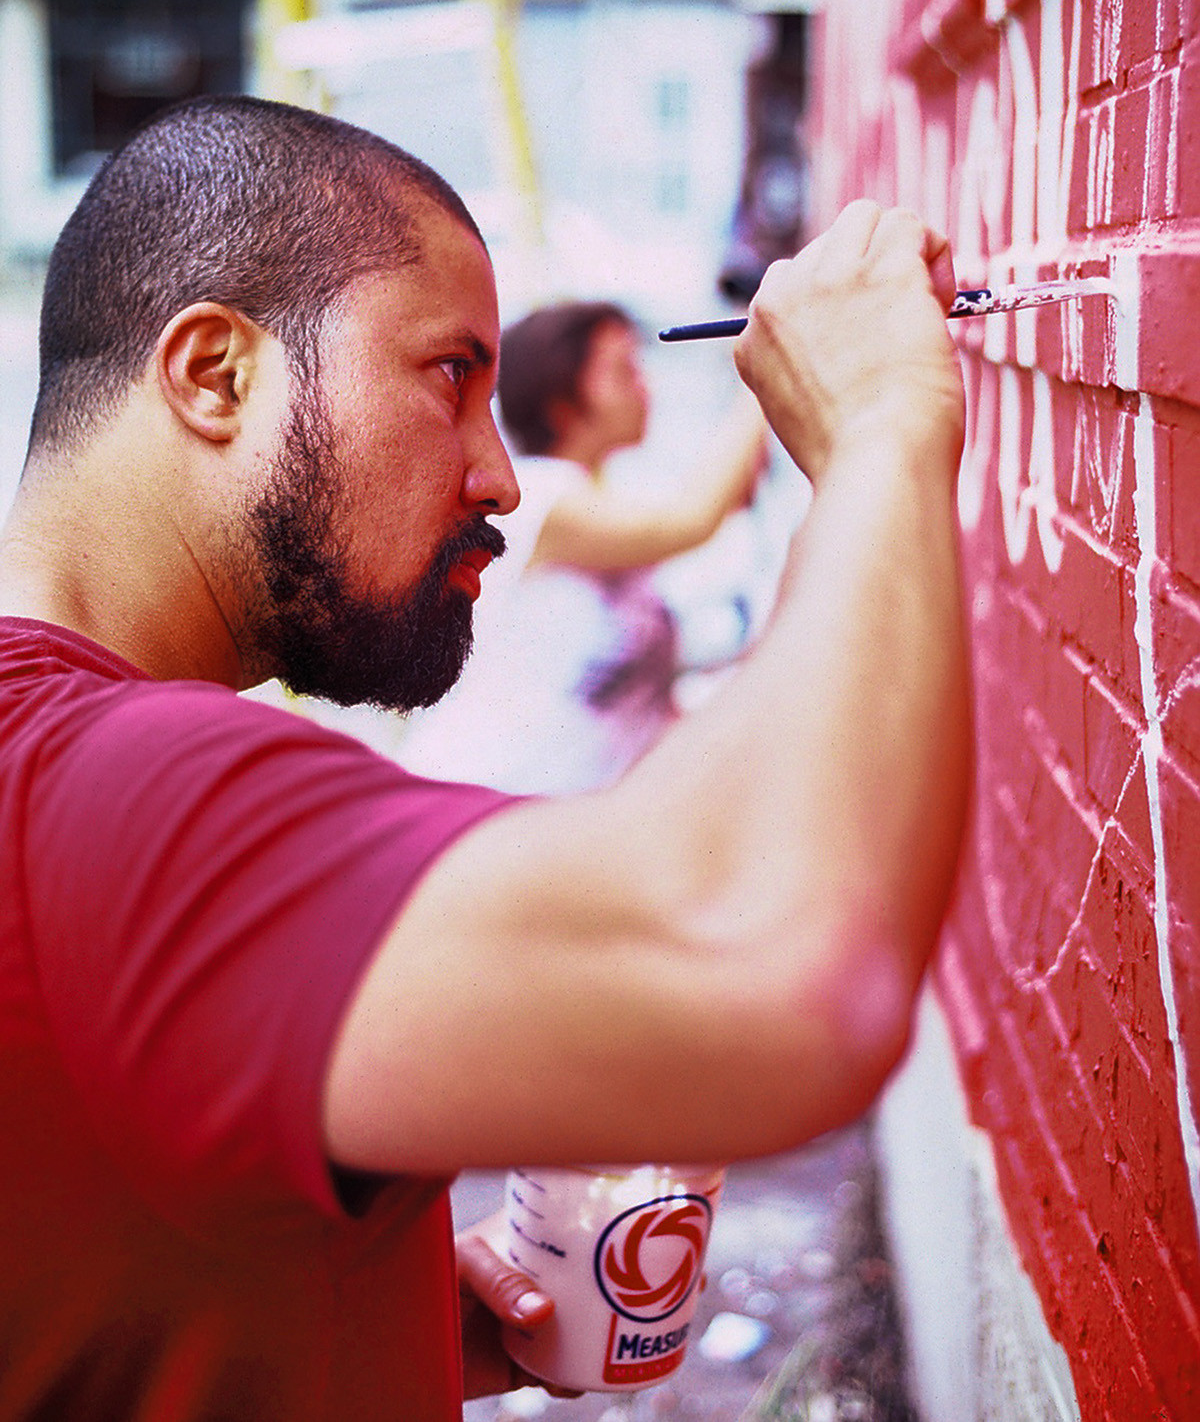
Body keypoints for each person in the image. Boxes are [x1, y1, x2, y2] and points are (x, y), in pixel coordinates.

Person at [0, 95, 971, 1421]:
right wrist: (884, 426)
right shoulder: (120, 789)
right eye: (450, 374)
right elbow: (785, 975)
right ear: (216, 374)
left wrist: (343, 1305)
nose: (501, 475)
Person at [400, 298, 767, 792]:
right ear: (564, 405)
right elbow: (694, 518)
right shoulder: (539, 497)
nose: (645, 387)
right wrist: (768, 363)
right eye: (623, 371)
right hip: (492, 800)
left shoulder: (605, 509)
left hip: (575, 813)